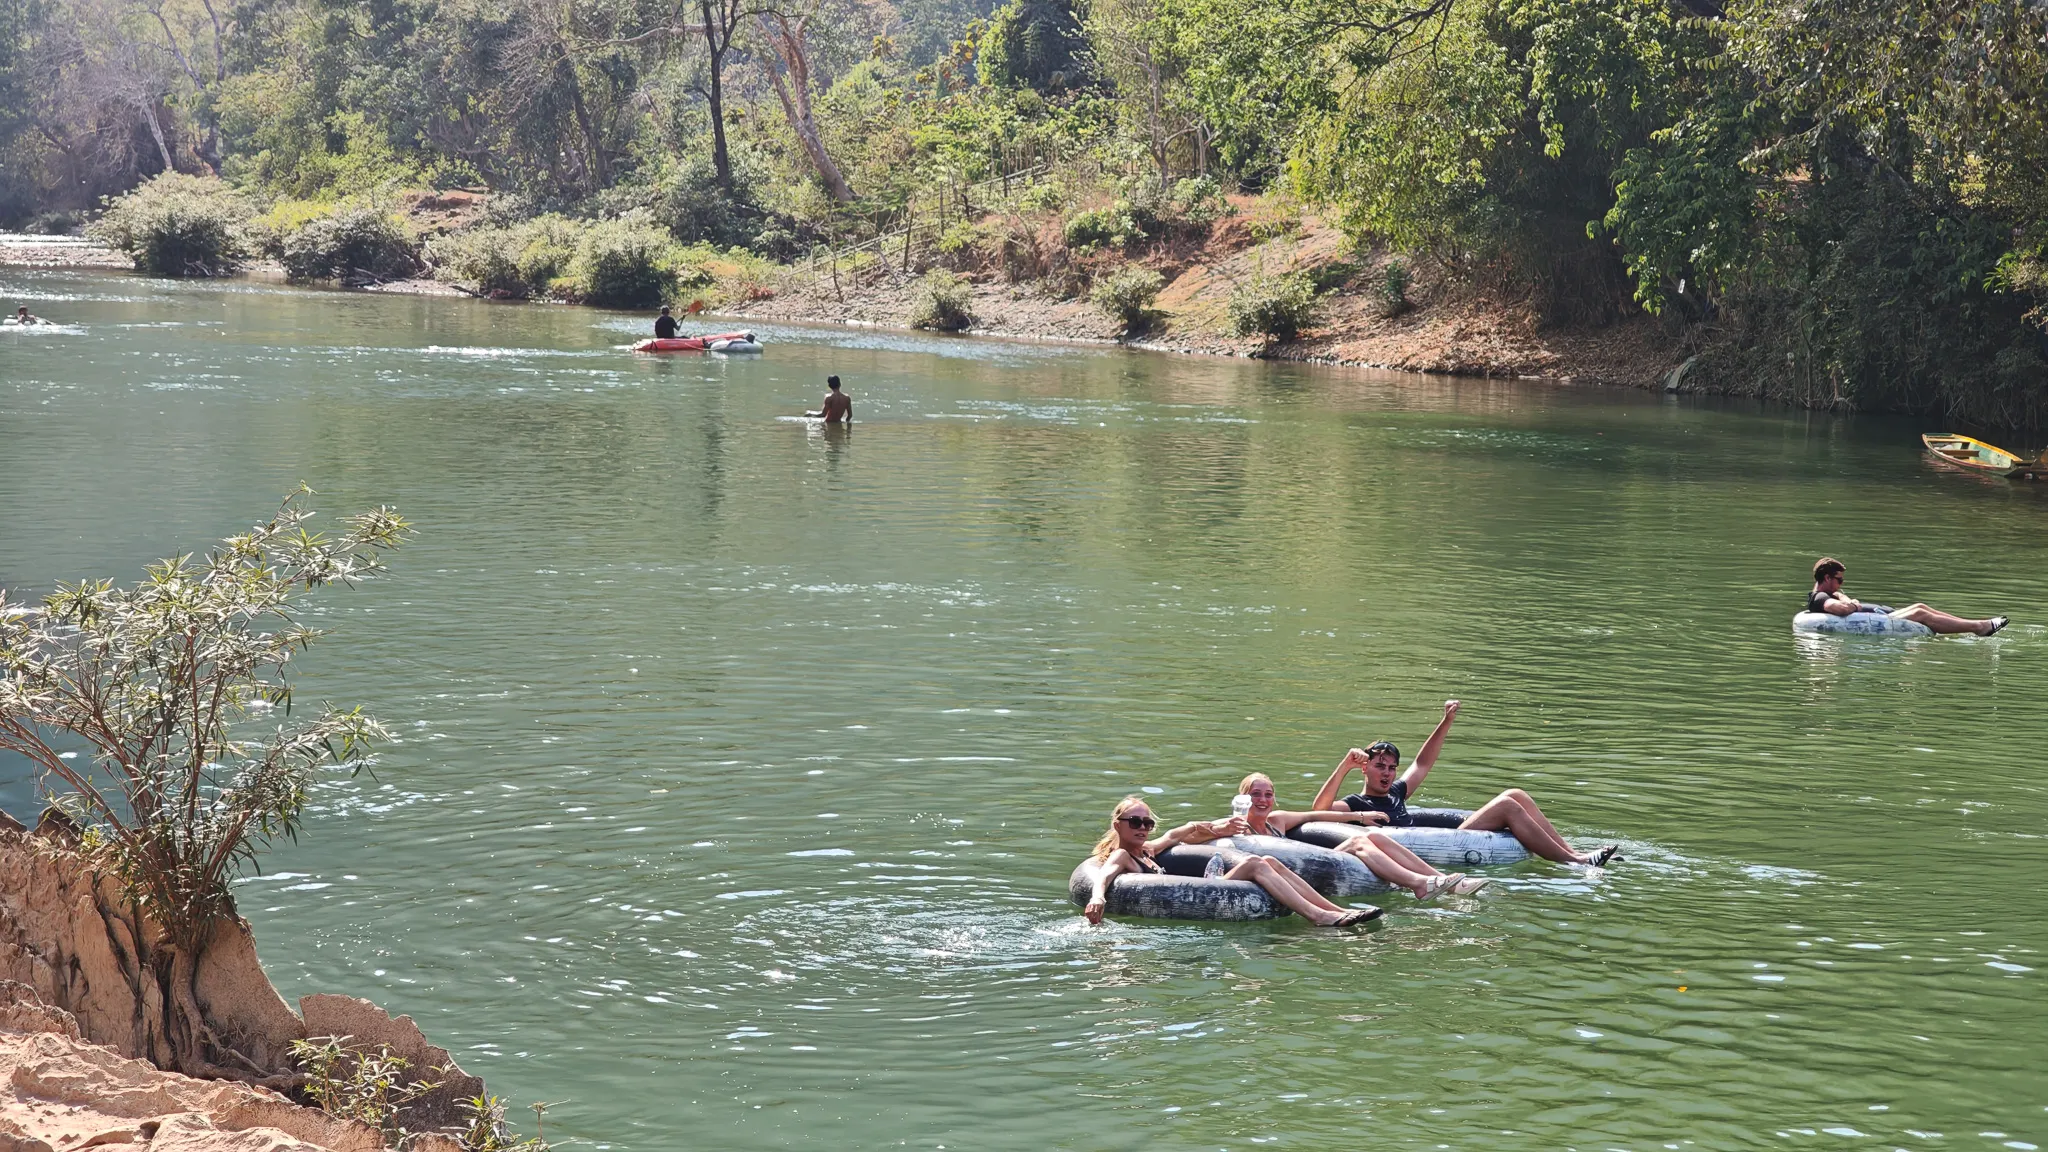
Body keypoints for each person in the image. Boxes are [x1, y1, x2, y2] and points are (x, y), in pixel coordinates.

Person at [1311, 700, 1620, 867]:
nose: (1388, 773)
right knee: (1507, 805)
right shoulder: (1355, 806)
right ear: (1366, 770)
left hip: (1441, 836)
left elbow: (1422, 763)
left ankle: (1575, 852)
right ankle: (1576, 862)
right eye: (1380, 766)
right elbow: (1318, 811)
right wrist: (1345, 765)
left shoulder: (1397, 792)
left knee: (1516, 793)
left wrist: (1446, 722)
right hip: (1439, 844)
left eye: (1392, 768)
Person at [1083, 795, 1379, 927]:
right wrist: (1097, 897)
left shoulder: (1149, 849)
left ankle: (1335, 910)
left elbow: (1178, 832)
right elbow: (1106, 873)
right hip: (1198, 896)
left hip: (1205, 888)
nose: (1143, 827)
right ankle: (1318, 917)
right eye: (1135, 821)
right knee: (1254, 863)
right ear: (1118, 824)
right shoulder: (1123, 854)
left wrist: (1219, 828)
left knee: (1269, 862)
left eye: (1147, 823)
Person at [1235, 772, 1484, 900]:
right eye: (1256, 794)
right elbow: (1200, 835)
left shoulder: (1277, 820)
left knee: (1374, 837)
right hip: (1294, 877)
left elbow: (1317, 815)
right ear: (1243, 798)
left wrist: (1360, 817)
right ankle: (1419, 885)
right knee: (1357, 842)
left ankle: (1445, 882)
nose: (1263, 800)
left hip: (1317, 866)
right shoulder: (1235, 827)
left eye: (1268, 794)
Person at [1808, 557, 2006, 636]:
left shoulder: (1831, 593)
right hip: (1881, 621)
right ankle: (1979, 628)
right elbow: (1841, 608)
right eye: (1839, 580)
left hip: (1884, 614)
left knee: (1921, 605)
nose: (1842, 585)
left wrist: (1847, 599)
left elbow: (1844, 599)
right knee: (1921, 613)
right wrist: (1852, 604)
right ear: (1827, 577)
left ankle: (1976, 624)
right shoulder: (1820, 598)